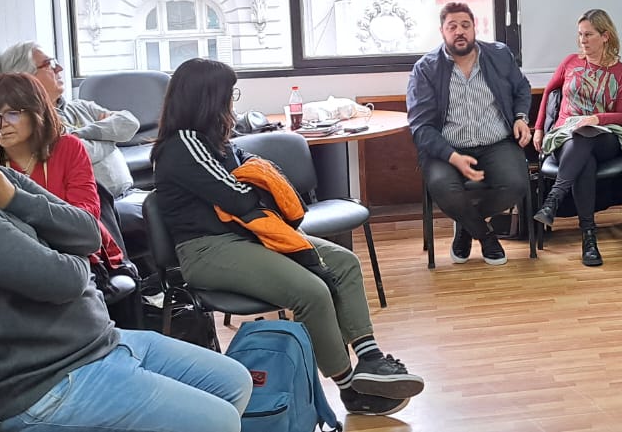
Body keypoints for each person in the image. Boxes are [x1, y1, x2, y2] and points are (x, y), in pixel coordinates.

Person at [0, 73, 252, 431]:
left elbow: (89, 233)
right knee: (217, 421)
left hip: (98, 345)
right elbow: (70, 280)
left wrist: (14, 200)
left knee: (234, 382)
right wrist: (60, 240)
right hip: (47, 386)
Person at [154, 59, 424, 415]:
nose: (232, 102)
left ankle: (370, 360)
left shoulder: (217, 143)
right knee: (311, 291)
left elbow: (263, 183)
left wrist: (257, 188)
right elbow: (241, 197)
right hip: (208, 249)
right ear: (208, 99)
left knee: (344, 263)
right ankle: (349, 390)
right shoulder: (182, 146)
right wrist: (258, 189)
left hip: (248, 235)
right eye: (229, 94)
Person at [407, 2, 534, 265]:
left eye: (465, 25)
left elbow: (522, 88)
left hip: (495, 142)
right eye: (452, 26)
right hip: (446, 148)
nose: (459, 31)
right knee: (443, 187)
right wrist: (453, 157)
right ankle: (485, 236)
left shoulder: (499, 55)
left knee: (516, 185)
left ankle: (466, 224)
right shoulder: (426, 68)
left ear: (474, 27)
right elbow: (421, 127)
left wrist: (521, 117)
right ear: (442, 31)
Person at [0, 73, 127, 269]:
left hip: (78, 253)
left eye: (12, 113)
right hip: (19, 259)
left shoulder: (68, 147)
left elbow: (86, 216)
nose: (2, 124)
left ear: (36, 111)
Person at [531, 9, 622, 267]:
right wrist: (539, 128)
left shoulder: (621, 72)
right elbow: (548, 92)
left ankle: (554, 198)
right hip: (565, 137)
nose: (582, 40)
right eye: (580, 35)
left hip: (605, 137)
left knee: (585, 134)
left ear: (605, 36)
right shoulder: (570, 62)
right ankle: (589, 238)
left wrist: (596, 119)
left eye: (588, 35)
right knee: (584, 159)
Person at [0, 42, 137, 198]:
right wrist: (110, 136)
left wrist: (79, 134)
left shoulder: (81, 106)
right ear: (27, 77)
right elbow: (80, 152)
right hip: (99, 204)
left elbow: (129, 123)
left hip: (131, 193)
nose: (59, 68)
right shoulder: (34, 123)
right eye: (49, 64)